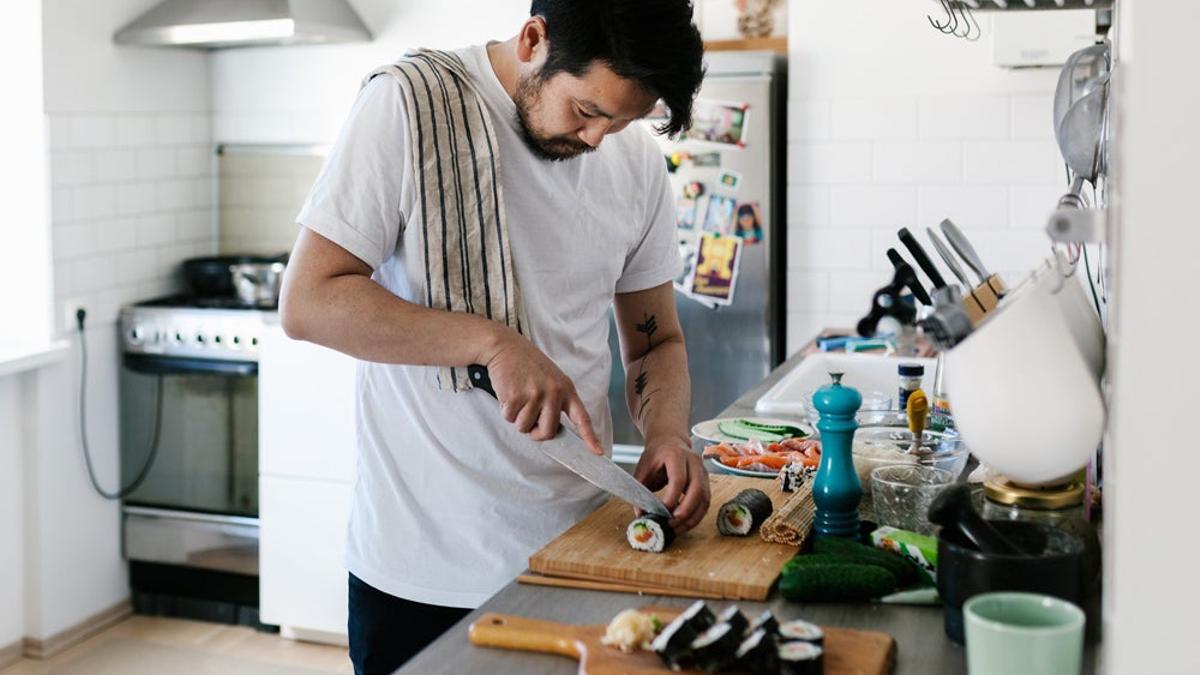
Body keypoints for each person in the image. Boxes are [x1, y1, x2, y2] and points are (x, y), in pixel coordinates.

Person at [278, 2, 709, 673]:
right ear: (535, 39)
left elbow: (656, 344)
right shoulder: (408, 106)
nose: (600, 139)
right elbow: (309, 301)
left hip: (580, 553)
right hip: (422, 574)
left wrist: (668, 434)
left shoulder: (636, 164)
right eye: (588, 110)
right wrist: (492, 342)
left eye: (623, 121)